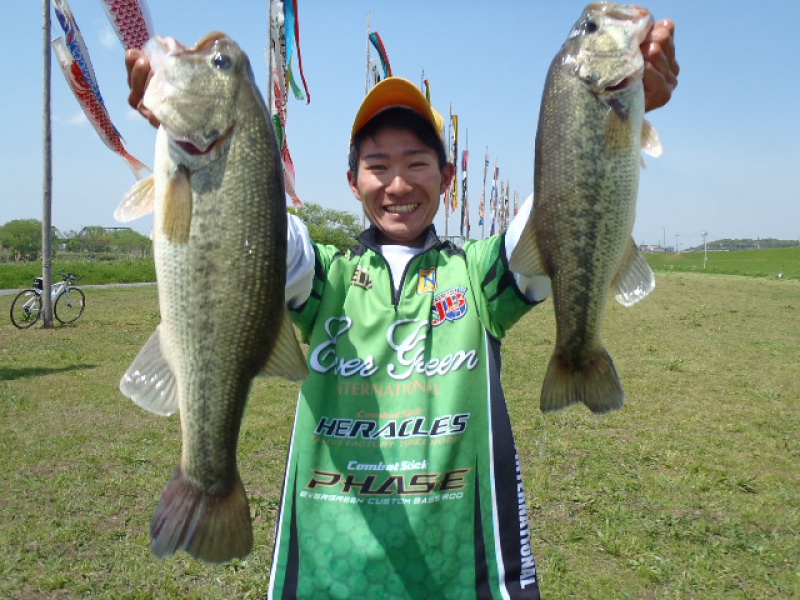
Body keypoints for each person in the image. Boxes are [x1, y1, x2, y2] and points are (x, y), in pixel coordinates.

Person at [126, 13, 678, 600]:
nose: (397, 184)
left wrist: (604, 118)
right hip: (327, 574)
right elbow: (257, 237)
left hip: (465, 575)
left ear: (445, 178)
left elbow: (558, 214)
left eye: (416, 163)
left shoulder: (479, 274)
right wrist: (206, 136)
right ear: (351, 181)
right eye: (377, 166)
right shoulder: (324, 277)